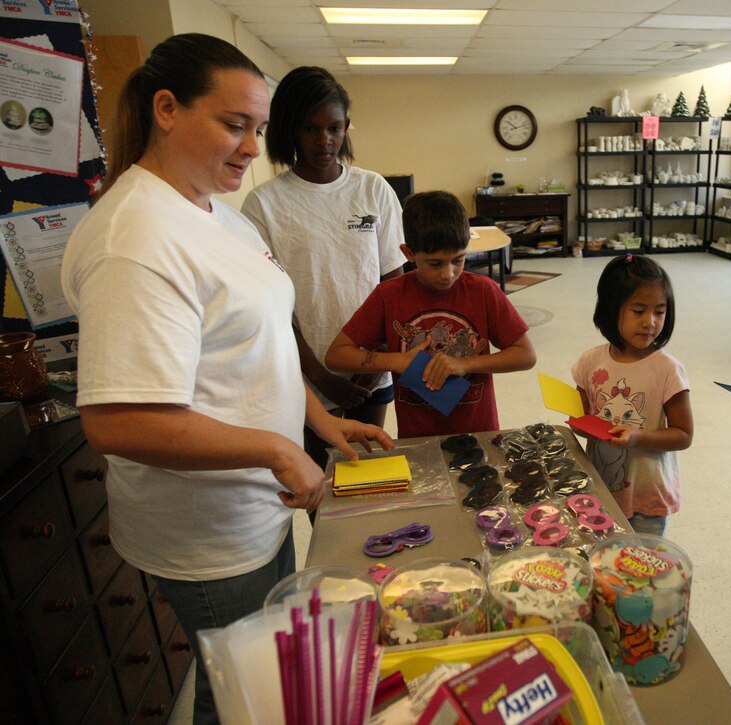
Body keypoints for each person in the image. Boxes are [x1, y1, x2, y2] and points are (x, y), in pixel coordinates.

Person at [60, 34, 394, 725]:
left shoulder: (215, 211)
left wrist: (320, 421)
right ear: (167, 109)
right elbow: (118, 422)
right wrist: (280, 449)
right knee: (246, 691)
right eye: (234, 124)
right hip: (208, 530)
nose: (250, 146)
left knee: (265, 672)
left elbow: (261, 340)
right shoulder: (137, 237)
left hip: (257, 505)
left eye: (259, 129)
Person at [242, 66, 405, 469]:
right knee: (321, 481)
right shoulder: (263, 205)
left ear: (346, 126)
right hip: (303, 374)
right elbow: (271, 306)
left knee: (368, 475)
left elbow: (393, 280)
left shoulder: (373, 189)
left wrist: (374, 359)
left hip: (371, 372)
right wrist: (318, 374)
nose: (323, 141)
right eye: (310, 129)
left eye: (334, 128)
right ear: (289, 130)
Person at [325, 190, 536, 438]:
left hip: (479, 433)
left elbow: (526, 355)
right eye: (435, 263)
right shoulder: (388, 295)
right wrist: (398, 361)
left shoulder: (483, 291)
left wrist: (464, 363)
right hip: (418, 436)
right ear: (408, 253)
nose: (448, 274)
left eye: (458, 260)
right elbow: (336, 356)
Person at [571, 253, 693, 536]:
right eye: (638, 311)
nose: (650, 322)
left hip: (647, 497)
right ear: (611, 310)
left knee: (639, 570)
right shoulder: (590, 362)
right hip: (599, 488)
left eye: (659, 312)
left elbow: (683, 435)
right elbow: (584, 415)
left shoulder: (667, 370)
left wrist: (637, 436)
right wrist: (580, 422)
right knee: (602, 563)